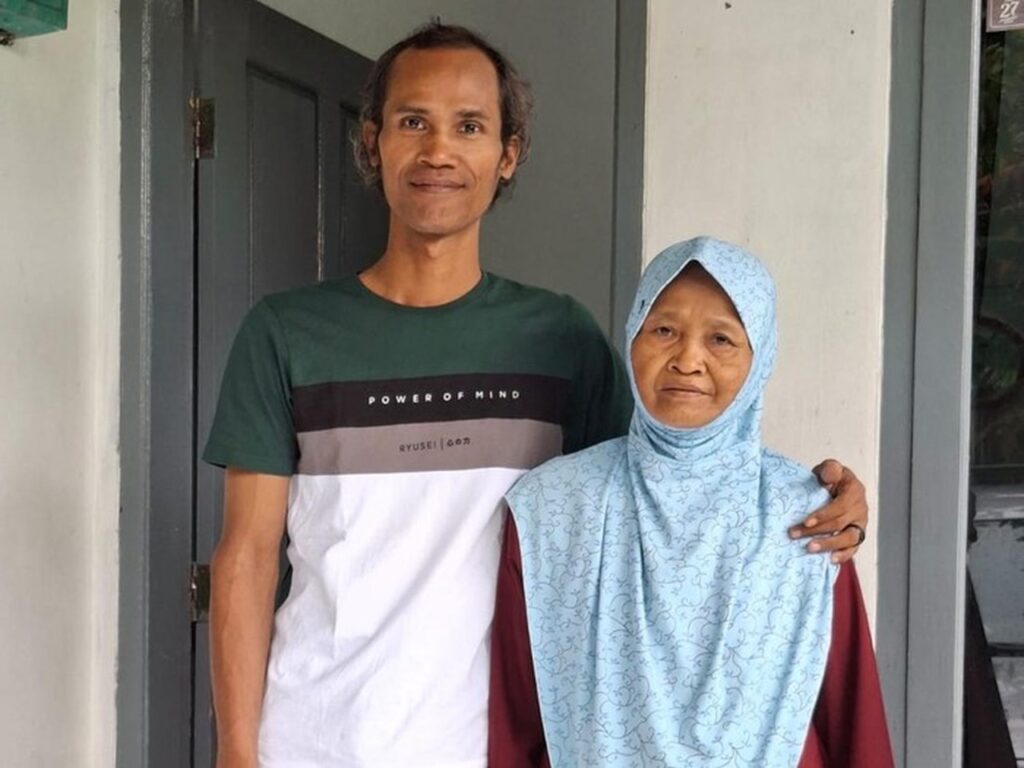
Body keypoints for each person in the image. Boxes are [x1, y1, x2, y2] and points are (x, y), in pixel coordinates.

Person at [203, 23, 871, 768]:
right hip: (312, 741)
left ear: (507, 154)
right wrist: (236, 752)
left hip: (494, 745)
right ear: (372, 141)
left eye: (470, 126)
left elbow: (662, 490)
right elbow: (247, 557)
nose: (439, 151)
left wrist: (816, 496)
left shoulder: (561, 339)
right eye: (413, 121)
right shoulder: (286, 334)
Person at [489, 236, 893, 767]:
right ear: (632, 337)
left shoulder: (805, 513)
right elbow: (516, 718)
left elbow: (852, 713)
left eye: (721, 339)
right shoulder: (552, 508)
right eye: (664, 330)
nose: (687, 360)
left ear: (760, 357)